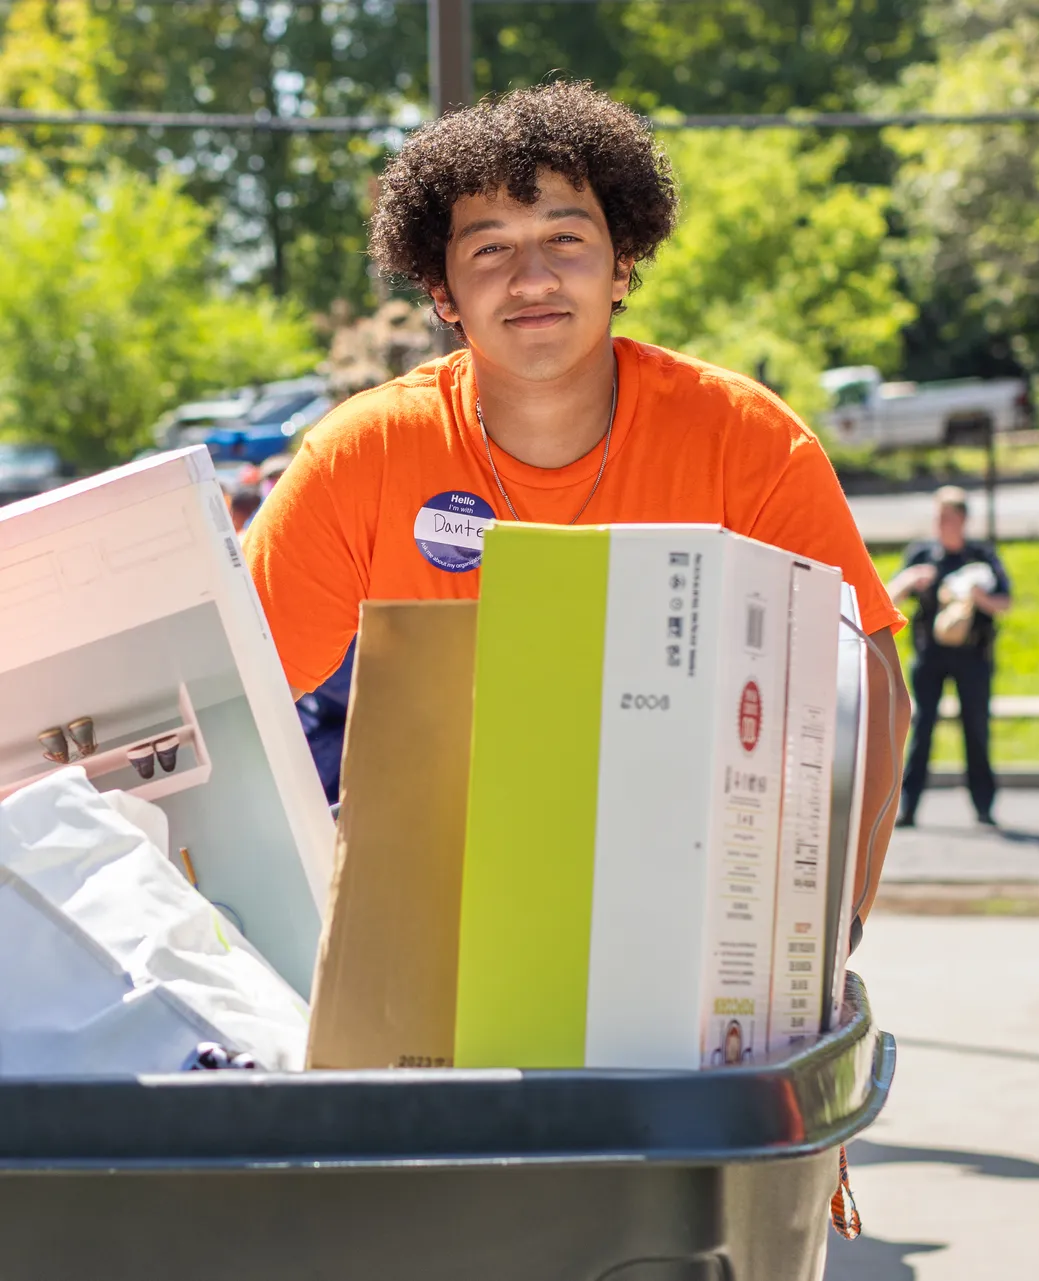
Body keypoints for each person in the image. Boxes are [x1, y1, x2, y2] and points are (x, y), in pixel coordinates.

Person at [244, 81, 910, 923]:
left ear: (622, 260)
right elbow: (232, 697)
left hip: (687, 920)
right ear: (441, 290)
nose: (532, 278)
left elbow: (869, 695)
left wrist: (819, 940)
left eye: (565, 236)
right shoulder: (364, 454)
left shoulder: (746, 440)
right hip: (436, 927)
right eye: (489, 249)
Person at [888, 486, 1012, 827]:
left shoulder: (980, 556)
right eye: (939, 518)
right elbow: (888, 598)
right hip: (931, 656)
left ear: (963, 520)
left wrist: (977, 595)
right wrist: (910, 580)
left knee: (976, 729)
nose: (943, 525)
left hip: (973, 656)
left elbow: (1005, 602)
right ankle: (909, 807)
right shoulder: (923, 555)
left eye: (949, 518)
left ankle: (984, 807)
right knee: (921, 728)